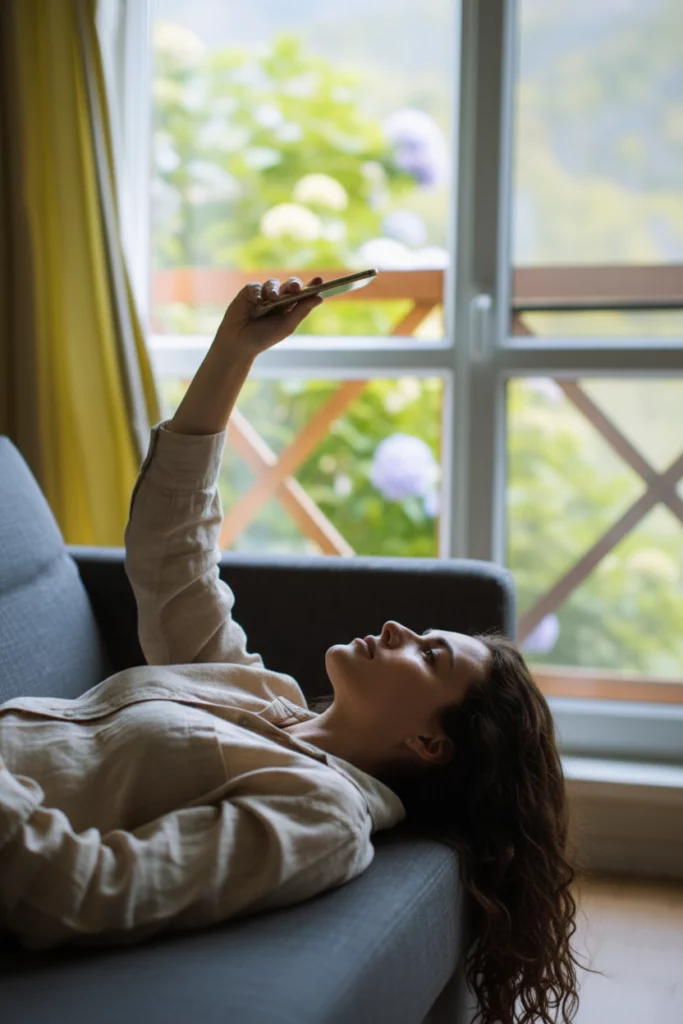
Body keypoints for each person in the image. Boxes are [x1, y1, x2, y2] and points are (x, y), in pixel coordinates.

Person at [0, 275, 593, 1022]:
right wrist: (234, 352)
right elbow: (172, 555)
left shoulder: (321, 816)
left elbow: (85, 889)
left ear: (427, 742)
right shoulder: (263, 698)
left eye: (428, 656)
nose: (396, 630)